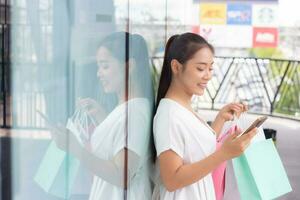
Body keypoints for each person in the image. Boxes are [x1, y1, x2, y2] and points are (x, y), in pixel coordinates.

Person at [152, 32, 257, 200]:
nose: (208, 75)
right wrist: (224, 153)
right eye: (201, 68)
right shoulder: (169, 115)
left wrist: (220, 119)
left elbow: (196, 151)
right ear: (176, 67)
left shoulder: (183, 107)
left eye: (210, 68)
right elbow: (171, 179)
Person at [51, 32, 154, 200]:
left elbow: (122, 175)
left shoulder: (134, 114)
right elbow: (120, 143)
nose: (99, 73)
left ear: (129, 66)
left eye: (105, 66)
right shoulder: (128, 109)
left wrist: (76, 149)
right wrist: (101, 116)